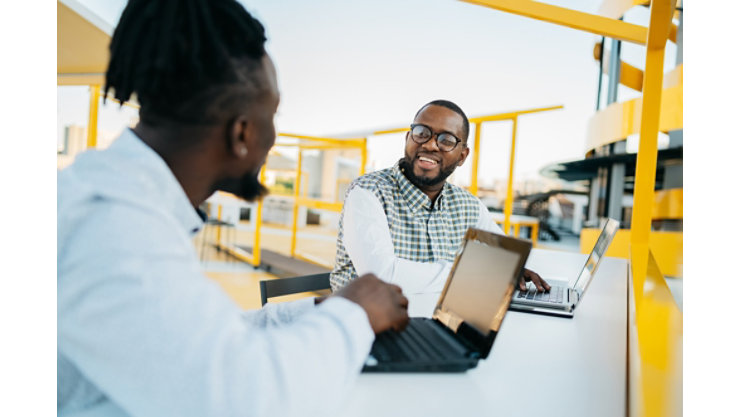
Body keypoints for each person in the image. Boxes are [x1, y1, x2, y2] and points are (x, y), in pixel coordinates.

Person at [57, 1, 409, 416]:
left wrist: (320, 311)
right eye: (273, 114)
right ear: (242, 133)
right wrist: (354, 315)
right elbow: (249, 400)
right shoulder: (115, 228)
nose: (274, 135)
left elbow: (190, 343)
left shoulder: (113, 198)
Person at [330, 100, 550, 295]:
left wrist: (512, 270)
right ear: (408, 138)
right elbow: (382, 275)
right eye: (421, 132)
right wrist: (472, 273)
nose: (430, 144)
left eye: (446, 139)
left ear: (462, 156)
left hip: (438, 324)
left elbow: (505, 256)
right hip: (367, 327)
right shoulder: (368, 192)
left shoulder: (468, 205)